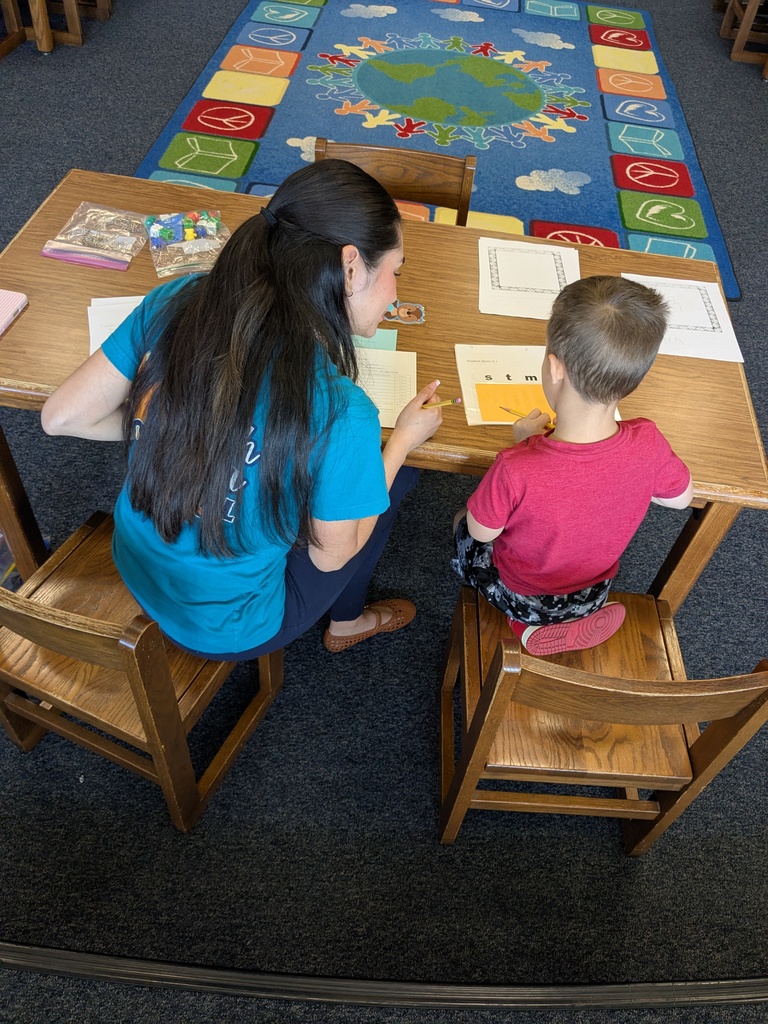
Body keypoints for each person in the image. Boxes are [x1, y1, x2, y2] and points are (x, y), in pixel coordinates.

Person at [41, 159, 444, 659]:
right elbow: (330, 554)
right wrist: (402, 441)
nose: (395, 294)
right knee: (396, 481)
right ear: (351, 267)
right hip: (227, 627)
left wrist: (165, 423)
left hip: (139, 566)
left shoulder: (179, 297)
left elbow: (61, 417)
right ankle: (349, 622)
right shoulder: (343, 410)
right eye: (395, 273)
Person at [451, 275, 693, 657]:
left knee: (462, 522)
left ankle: (522, 623)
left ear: (555, 367)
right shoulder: (647, 440)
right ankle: (578, 613)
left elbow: (482, 531)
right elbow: (681, 500)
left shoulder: (515, 466)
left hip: (521, 592)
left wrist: (525, 445)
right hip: (592, 588)